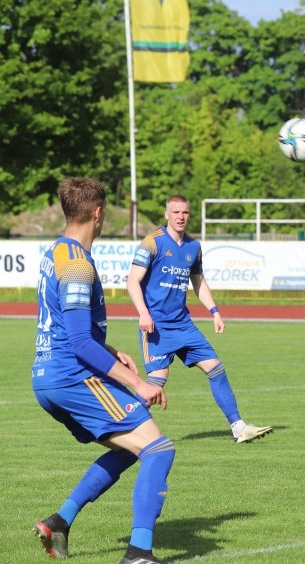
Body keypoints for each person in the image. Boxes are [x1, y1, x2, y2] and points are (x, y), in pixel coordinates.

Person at [32, 177, 174, 563]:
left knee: (131, 450)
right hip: (71, 376)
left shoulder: (56, 253)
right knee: (159, 450)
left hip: (47, 377)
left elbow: (67, 326)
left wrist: (111, 350)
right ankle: (138, 553)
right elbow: (78, 342)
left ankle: (59, 521)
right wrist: (137, 383)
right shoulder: (77, 264)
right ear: (98, 213)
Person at [126, 195, 271, 444]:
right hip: (157, 326)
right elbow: (132, 281)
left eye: (185, 212)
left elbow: (198, 282)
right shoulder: (152, 242)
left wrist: (214, 311)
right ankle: (126, 430)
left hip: (183, 324)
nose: (181, 217)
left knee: (216, 369)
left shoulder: (193, 247)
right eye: (176, 212)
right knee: (156, 383)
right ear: (166, 214)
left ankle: (239, 428)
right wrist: (143, 313)